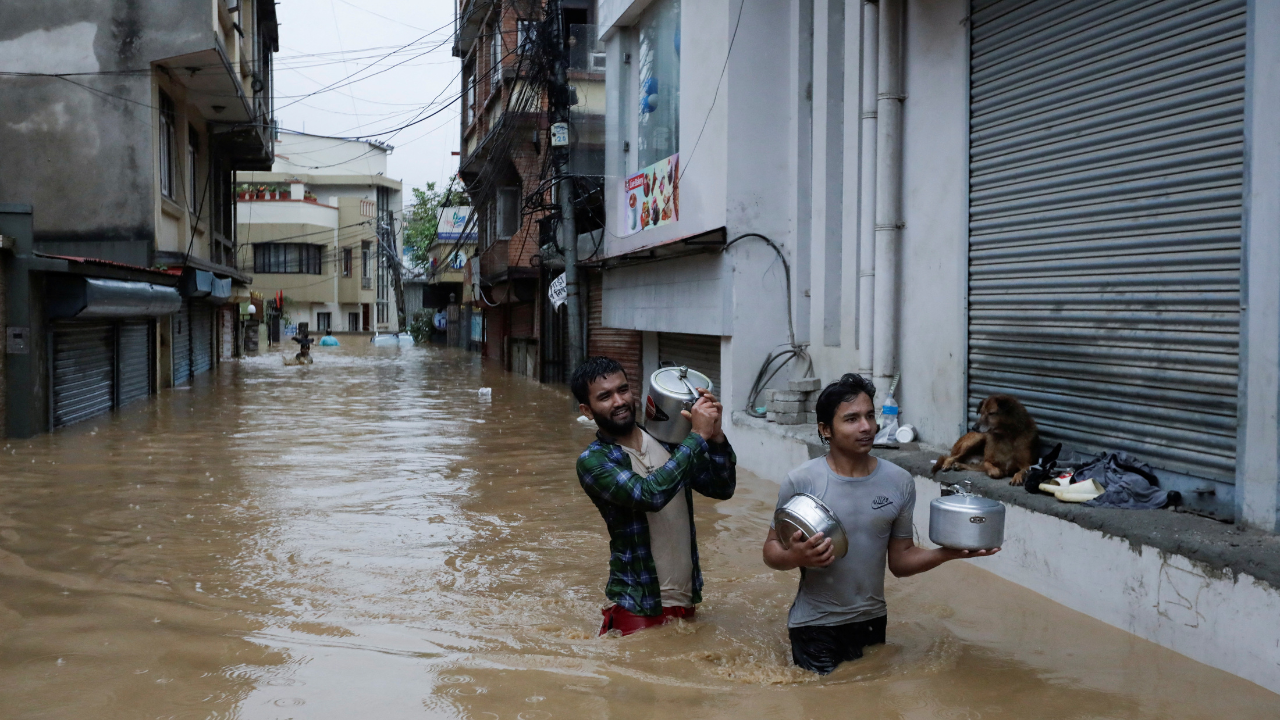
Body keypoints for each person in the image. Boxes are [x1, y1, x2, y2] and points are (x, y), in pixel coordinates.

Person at [763, 373, 1000, 674]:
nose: (866, 427)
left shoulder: (898, 482)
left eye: (870, 416)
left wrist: (947, 553)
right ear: (825, 429)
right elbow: (771, 549)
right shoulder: (802, 480)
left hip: (872, 620)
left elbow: (900, 561)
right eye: (851, 419)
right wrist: (794, 556)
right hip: (814, 625)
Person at [573, 356, 737, 636]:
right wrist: (697, 435)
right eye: (605, 396)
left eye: (623, 390)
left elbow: (721, 488)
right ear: (587, 410)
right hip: (637, 606)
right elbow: (649, 494)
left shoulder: (669, 441)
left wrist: (717, 436)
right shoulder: (594, 461)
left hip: (686, 600)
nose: (619, 401)